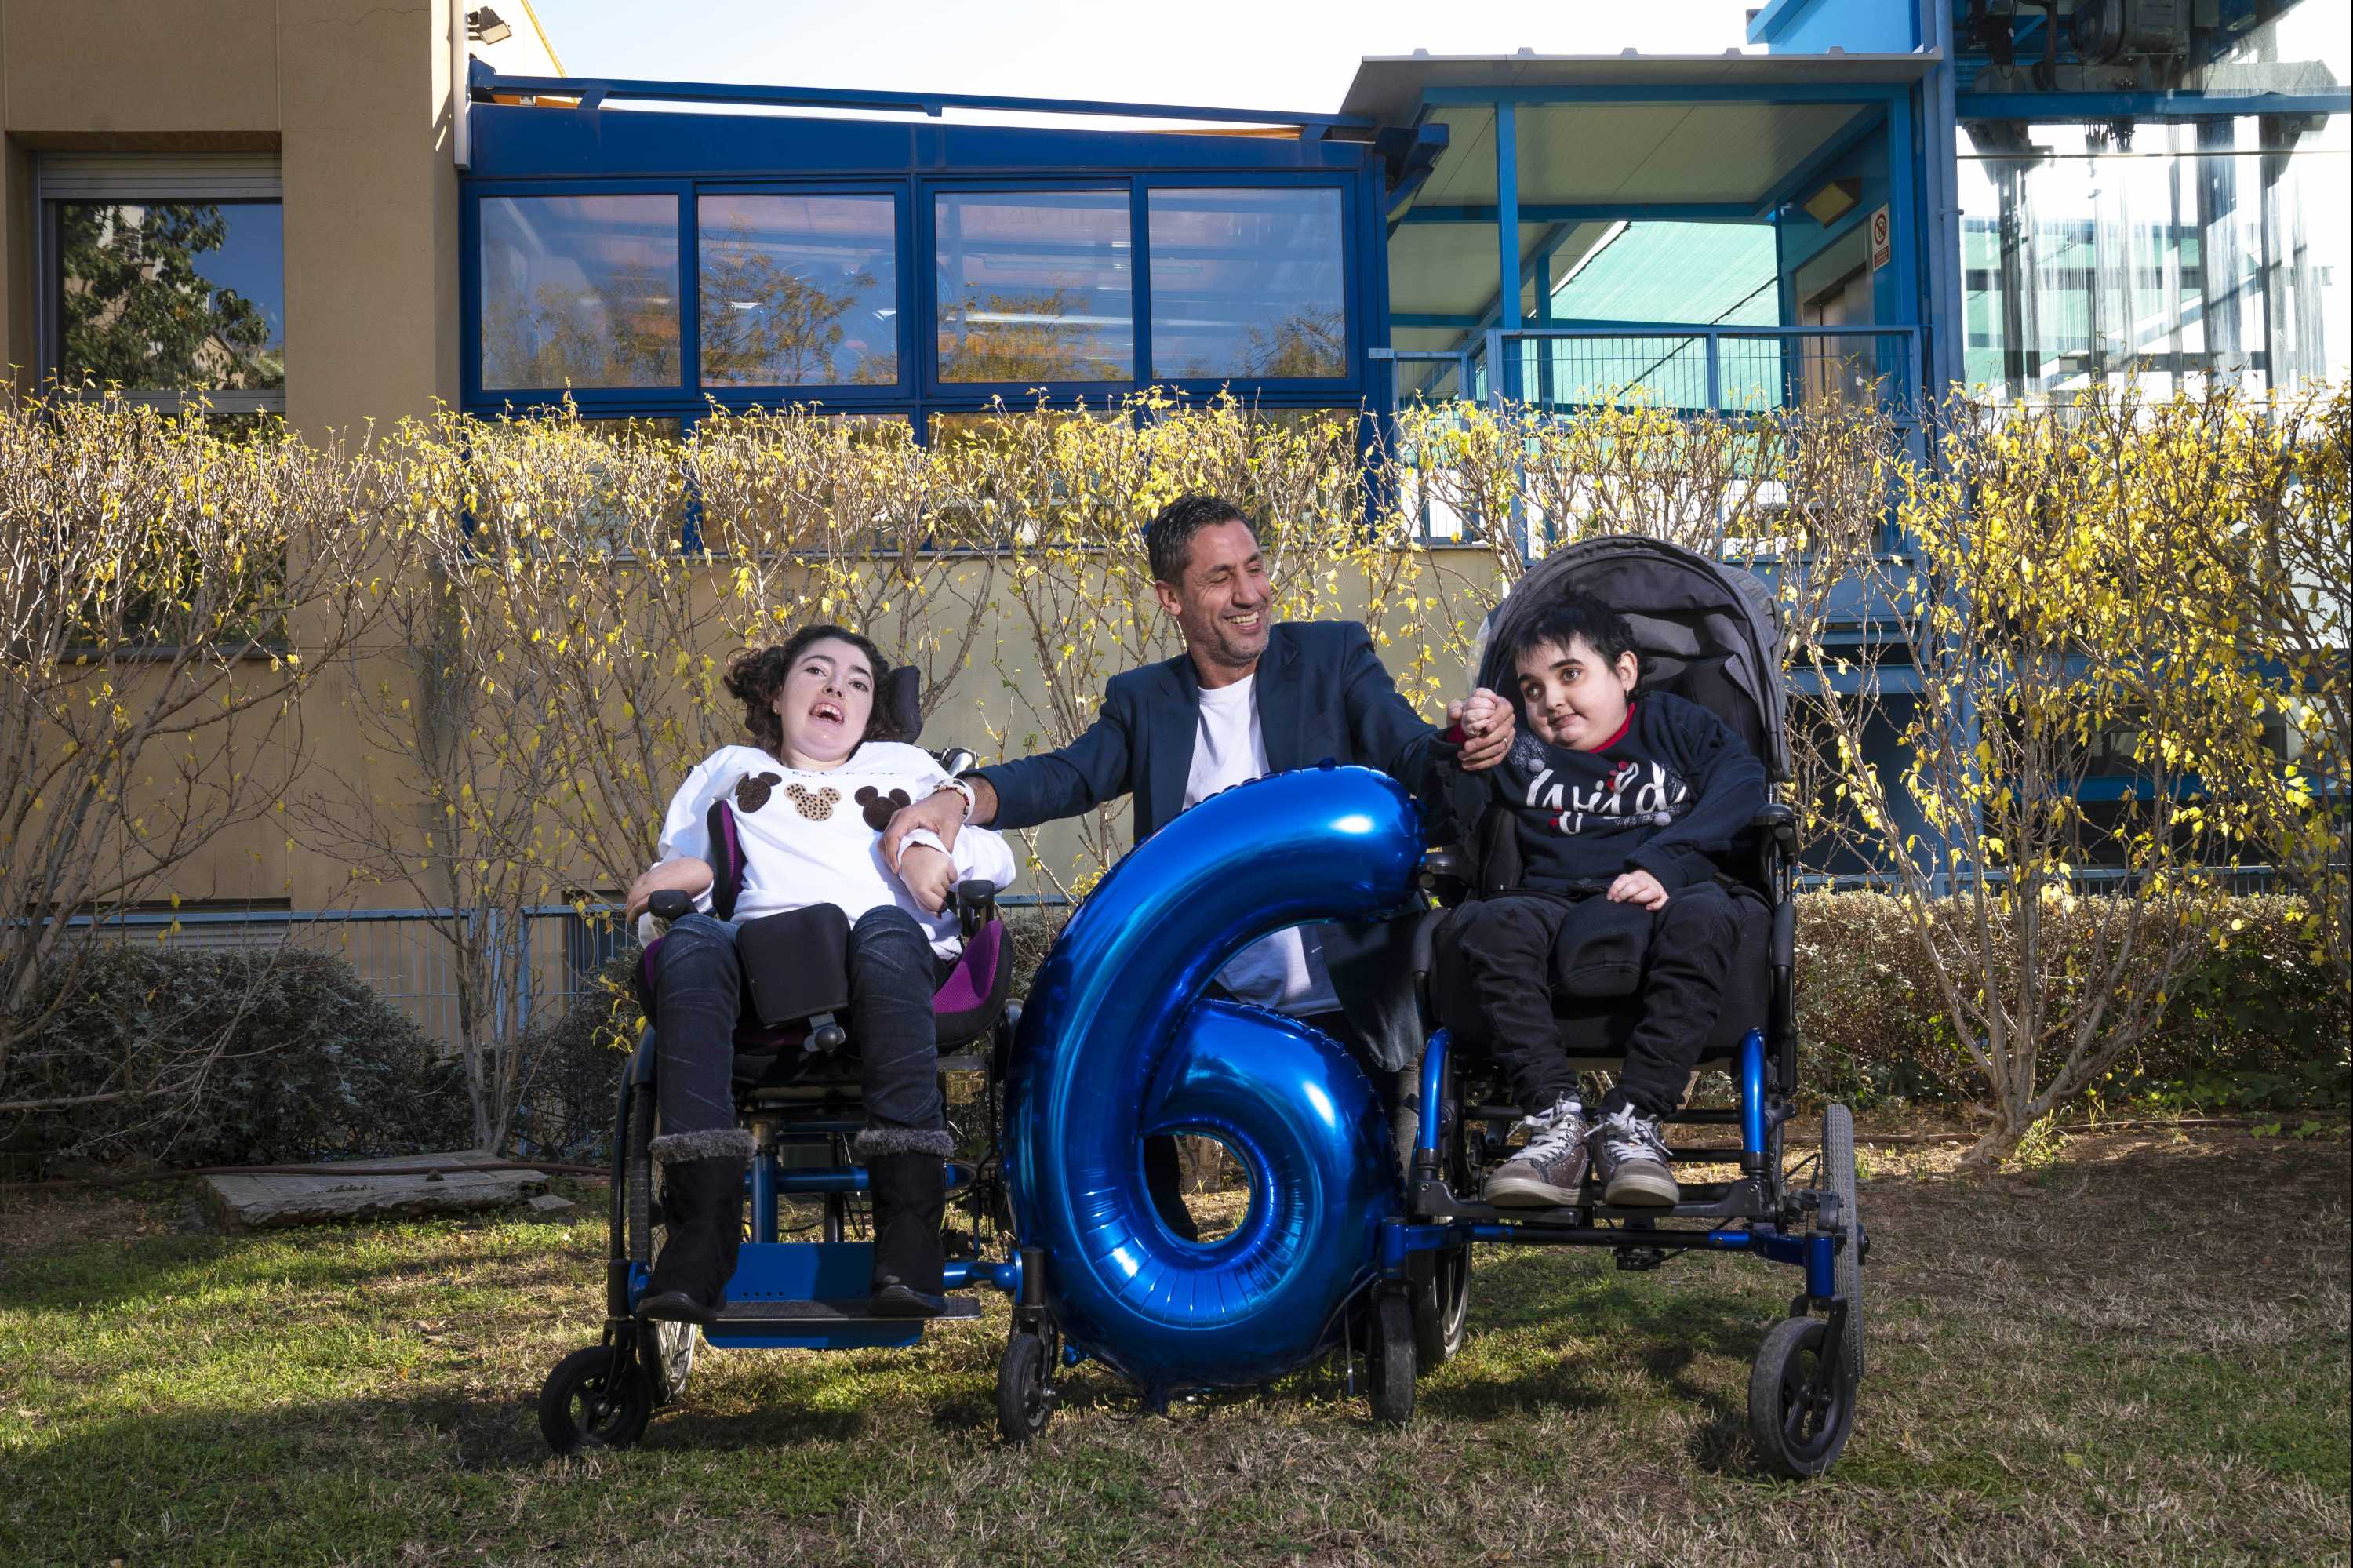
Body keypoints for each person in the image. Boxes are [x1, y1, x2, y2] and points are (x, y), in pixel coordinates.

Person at [882, 492, 1513, 1235]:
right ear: (1171, 597)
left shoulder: (1334, 658)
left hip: (1352, 994)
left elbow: (1409, 752)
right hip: (1210, 1001)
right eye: (1221, 578)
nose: (1250, 593)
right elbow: (1069, 775)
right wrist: (961, 797)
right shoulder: (1145, 700)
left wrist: (1464, 745)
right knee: (1089, 1060)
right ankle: (1158, 1265)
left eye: (1255, 567)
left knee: (1387, 1214)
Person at [624, 624, 1016, 1322]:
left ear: (871, 711)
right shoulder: (730, 770)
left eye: (858, 682)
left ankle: (909, 1232)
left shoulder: (906, 767)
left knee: (884, 929)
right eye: (817, 671)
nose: (837, 686)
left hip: (891, 965)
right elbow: (681, 875)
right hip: (765, 971)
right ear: (777, 694)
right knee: (692, 945)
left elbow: (994, 856)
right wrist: (685, 877)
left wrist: (929, 847)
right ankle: (701, 1235)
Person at [1446, 591, 1766, 1209]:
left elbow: (1743, 781)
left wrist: (1669, 862)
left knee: (1709, 914)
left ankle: (1633, 1121)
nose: (1550, 700)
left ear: (1624, 671)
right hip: (1554, 901)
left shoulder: (1673, 724)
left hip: (1670, 896)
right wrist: (1465, 742)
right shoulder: (1523, 749)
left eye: (1570, 675)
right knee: (1489, 923)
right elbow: (1451, 812)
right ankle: (1556, 1121)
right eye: (1532, 689)